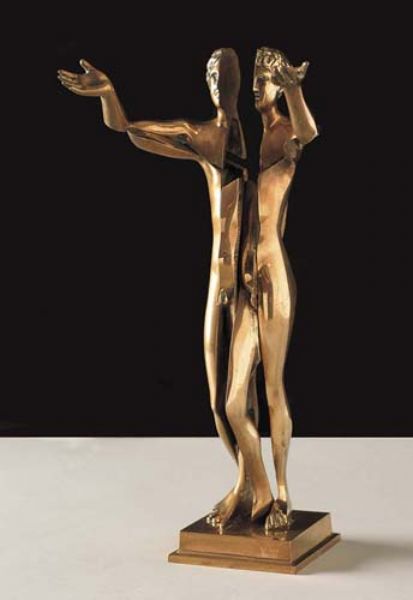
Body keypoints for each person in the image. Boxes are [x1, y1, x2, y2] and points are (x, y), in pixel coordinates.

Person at [57, 49, 258, 526]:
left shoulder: (261, 138)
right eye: (211, 72)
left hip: (256, 279)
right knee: (219, 397)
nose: (219, 80)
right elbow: (128, 129)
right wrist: (110, 95)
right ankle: (246, 483)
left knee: (245, 394)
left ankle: (259, 489)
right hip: (219, 275)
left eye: (226, 72)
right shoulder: (201, 135)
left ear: (238, 80)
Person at [225, 47, 319, 530]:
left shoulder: (285, 133)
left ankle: (281, 493)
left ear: (279, 86)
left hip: (273, 273)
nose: (258, 87)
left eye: (266, 79)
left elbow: (309, 133)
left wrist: (296, 89)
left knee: (273, 388)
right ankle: (253, 486)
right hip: (245, 279)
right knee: (233, 402)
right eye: (257, 78)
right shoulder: (248, 138)